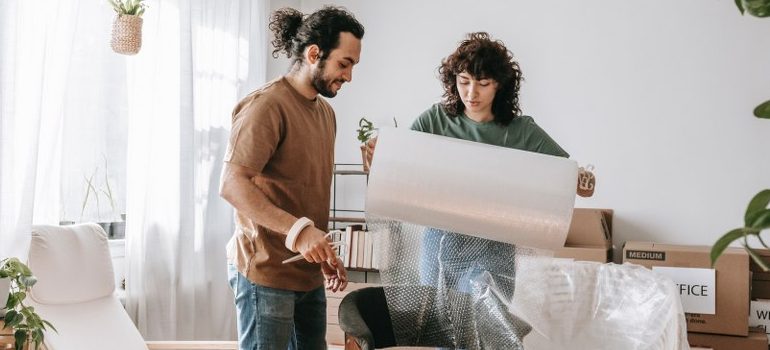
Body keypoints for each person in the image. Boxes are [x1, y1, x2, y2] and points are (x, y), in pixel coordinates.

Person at [365, 32, 594, 348]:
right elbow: (400, 166)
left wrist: (582, 178)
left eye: (482, 84)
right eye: (463, 81)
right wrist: (378, 156)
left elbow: (567, 177)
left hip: (493, 246)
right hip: (440, 243)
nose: (471, 93)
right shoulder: (437, 119)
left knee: (487, 327)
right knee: (440, 329)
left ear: (499, 85)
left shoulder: (519, 130)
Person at [219, 6, 364, 350]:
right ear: (314, 53)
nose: (349, 76)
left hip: (306, 277)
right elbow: (232, 183)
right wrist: (300, 233)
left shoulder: (326, 114)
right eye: (344, 63)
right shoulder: (266, 106)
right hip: (265, 274)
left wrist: (323, 254)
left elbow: (301, 192)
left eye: (353, 66)